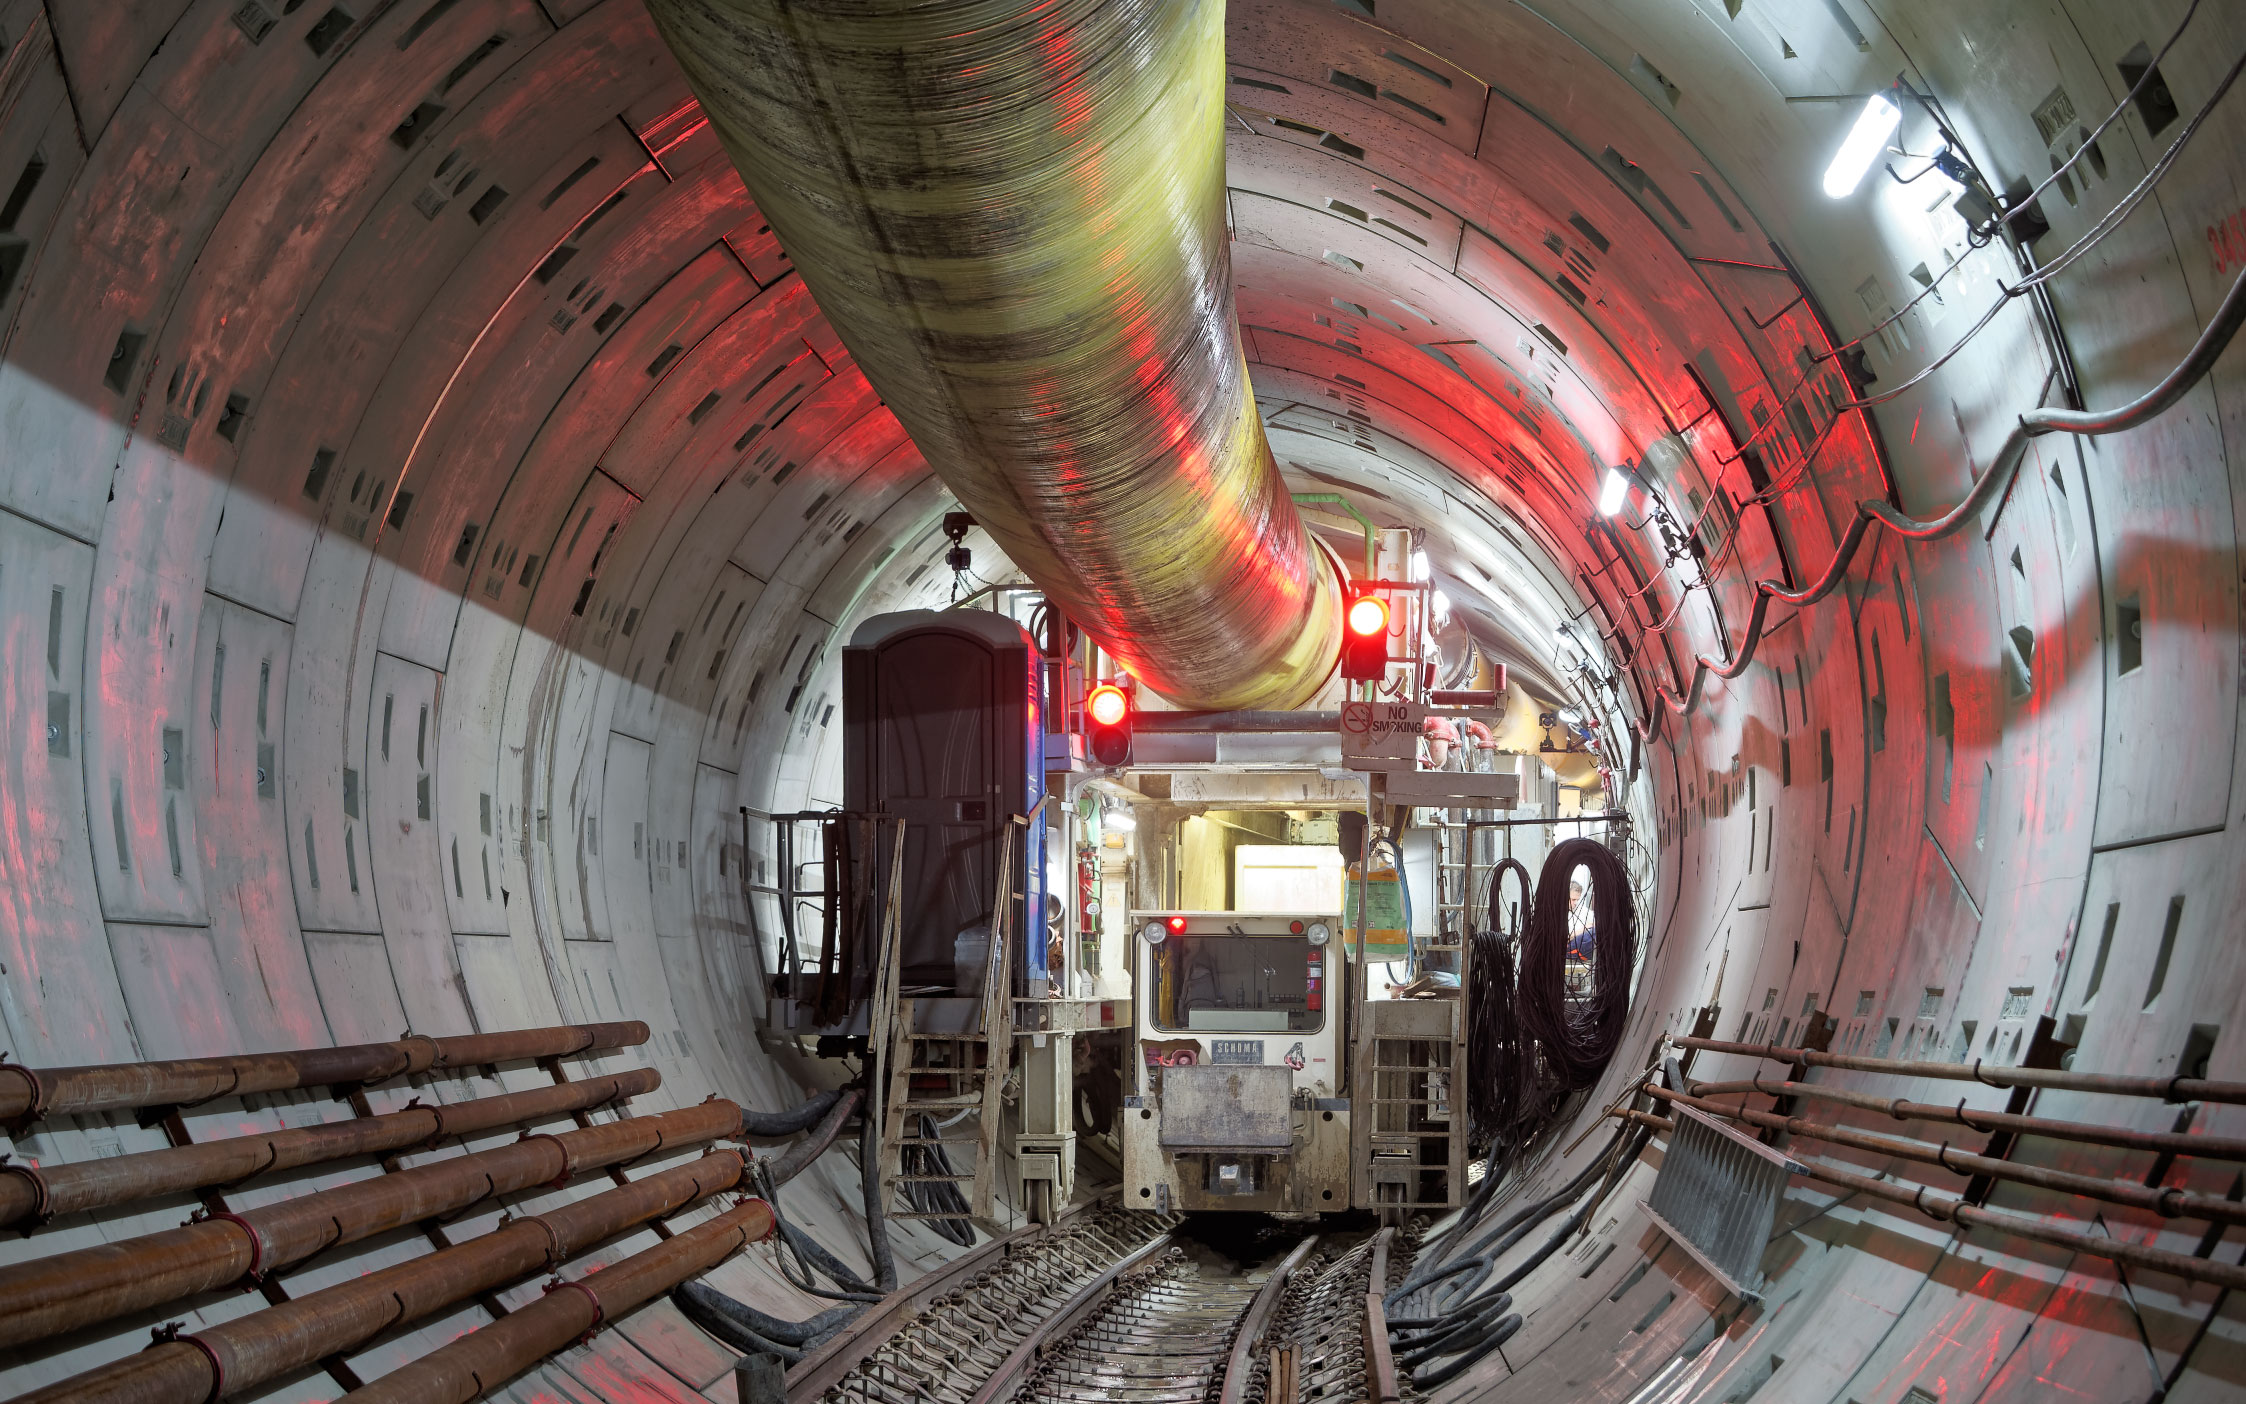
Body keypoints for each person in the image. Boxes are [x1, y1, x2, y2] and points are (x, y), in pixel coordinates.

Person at [1566, 879, 1596, 960]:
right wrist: (1584, 929)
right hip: (1569, 948)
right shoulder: (1556, 914)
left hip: (1583, 944)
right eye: (1573, 900)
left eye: (1577, 900)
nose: (1575, 903)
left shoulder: (1580, 909)